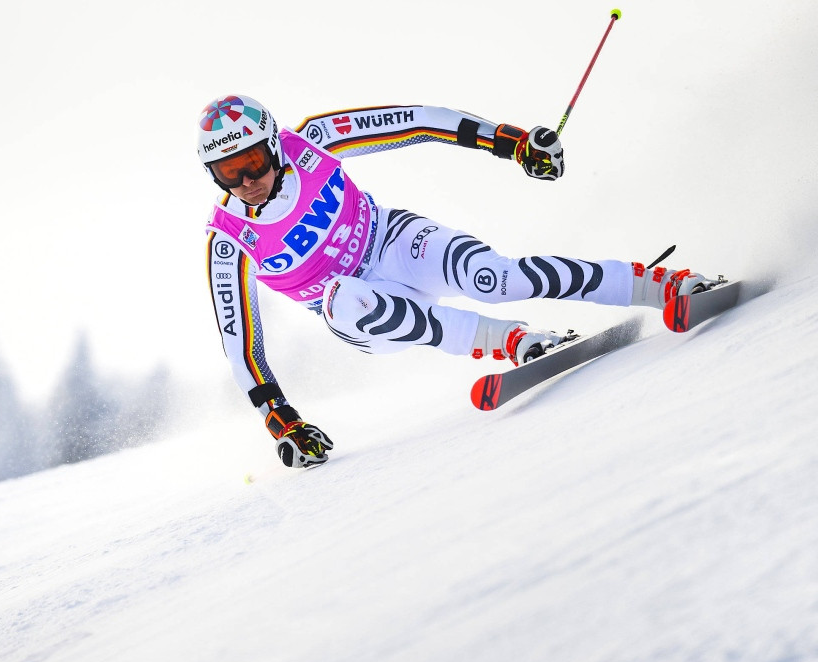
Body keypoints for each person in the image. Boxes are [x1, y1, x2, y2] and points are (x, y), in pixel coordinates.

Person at [198, 94, 719, 469]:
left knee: (499, 277)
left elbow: (420, 121)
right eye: (228, 173)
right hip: (360, 315)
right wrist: (282, 421)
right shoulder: (229, 240)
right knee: (346, 295)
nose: (248, 181)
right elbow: (240, 345)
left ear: (273, 145)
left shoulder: (313, 139)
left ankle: (661, 286)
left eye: (254, 161)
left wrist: (513, 145)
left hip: (390, 241)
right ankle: (512, 341)